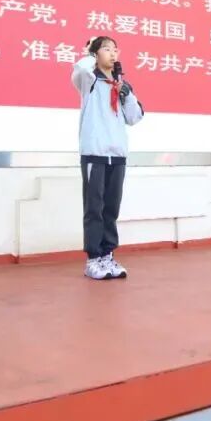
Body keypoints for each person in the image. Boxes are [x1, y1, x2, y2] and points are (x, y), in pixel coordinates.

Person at [71, 36, 144, 280]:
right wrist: (90, 51)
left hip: (117, 155)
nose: (112, 54)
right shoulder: (89, 80)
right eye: (106, 49)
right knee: (95, 208)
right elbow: (81, 67)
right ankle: (93, 259)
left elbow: (134, 117)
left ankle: (107, 255)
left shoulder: (120, 84)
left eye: (115, 50)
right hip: (95, 153)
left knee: (111, 209)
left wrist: (127, 93)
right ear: (95, 54)